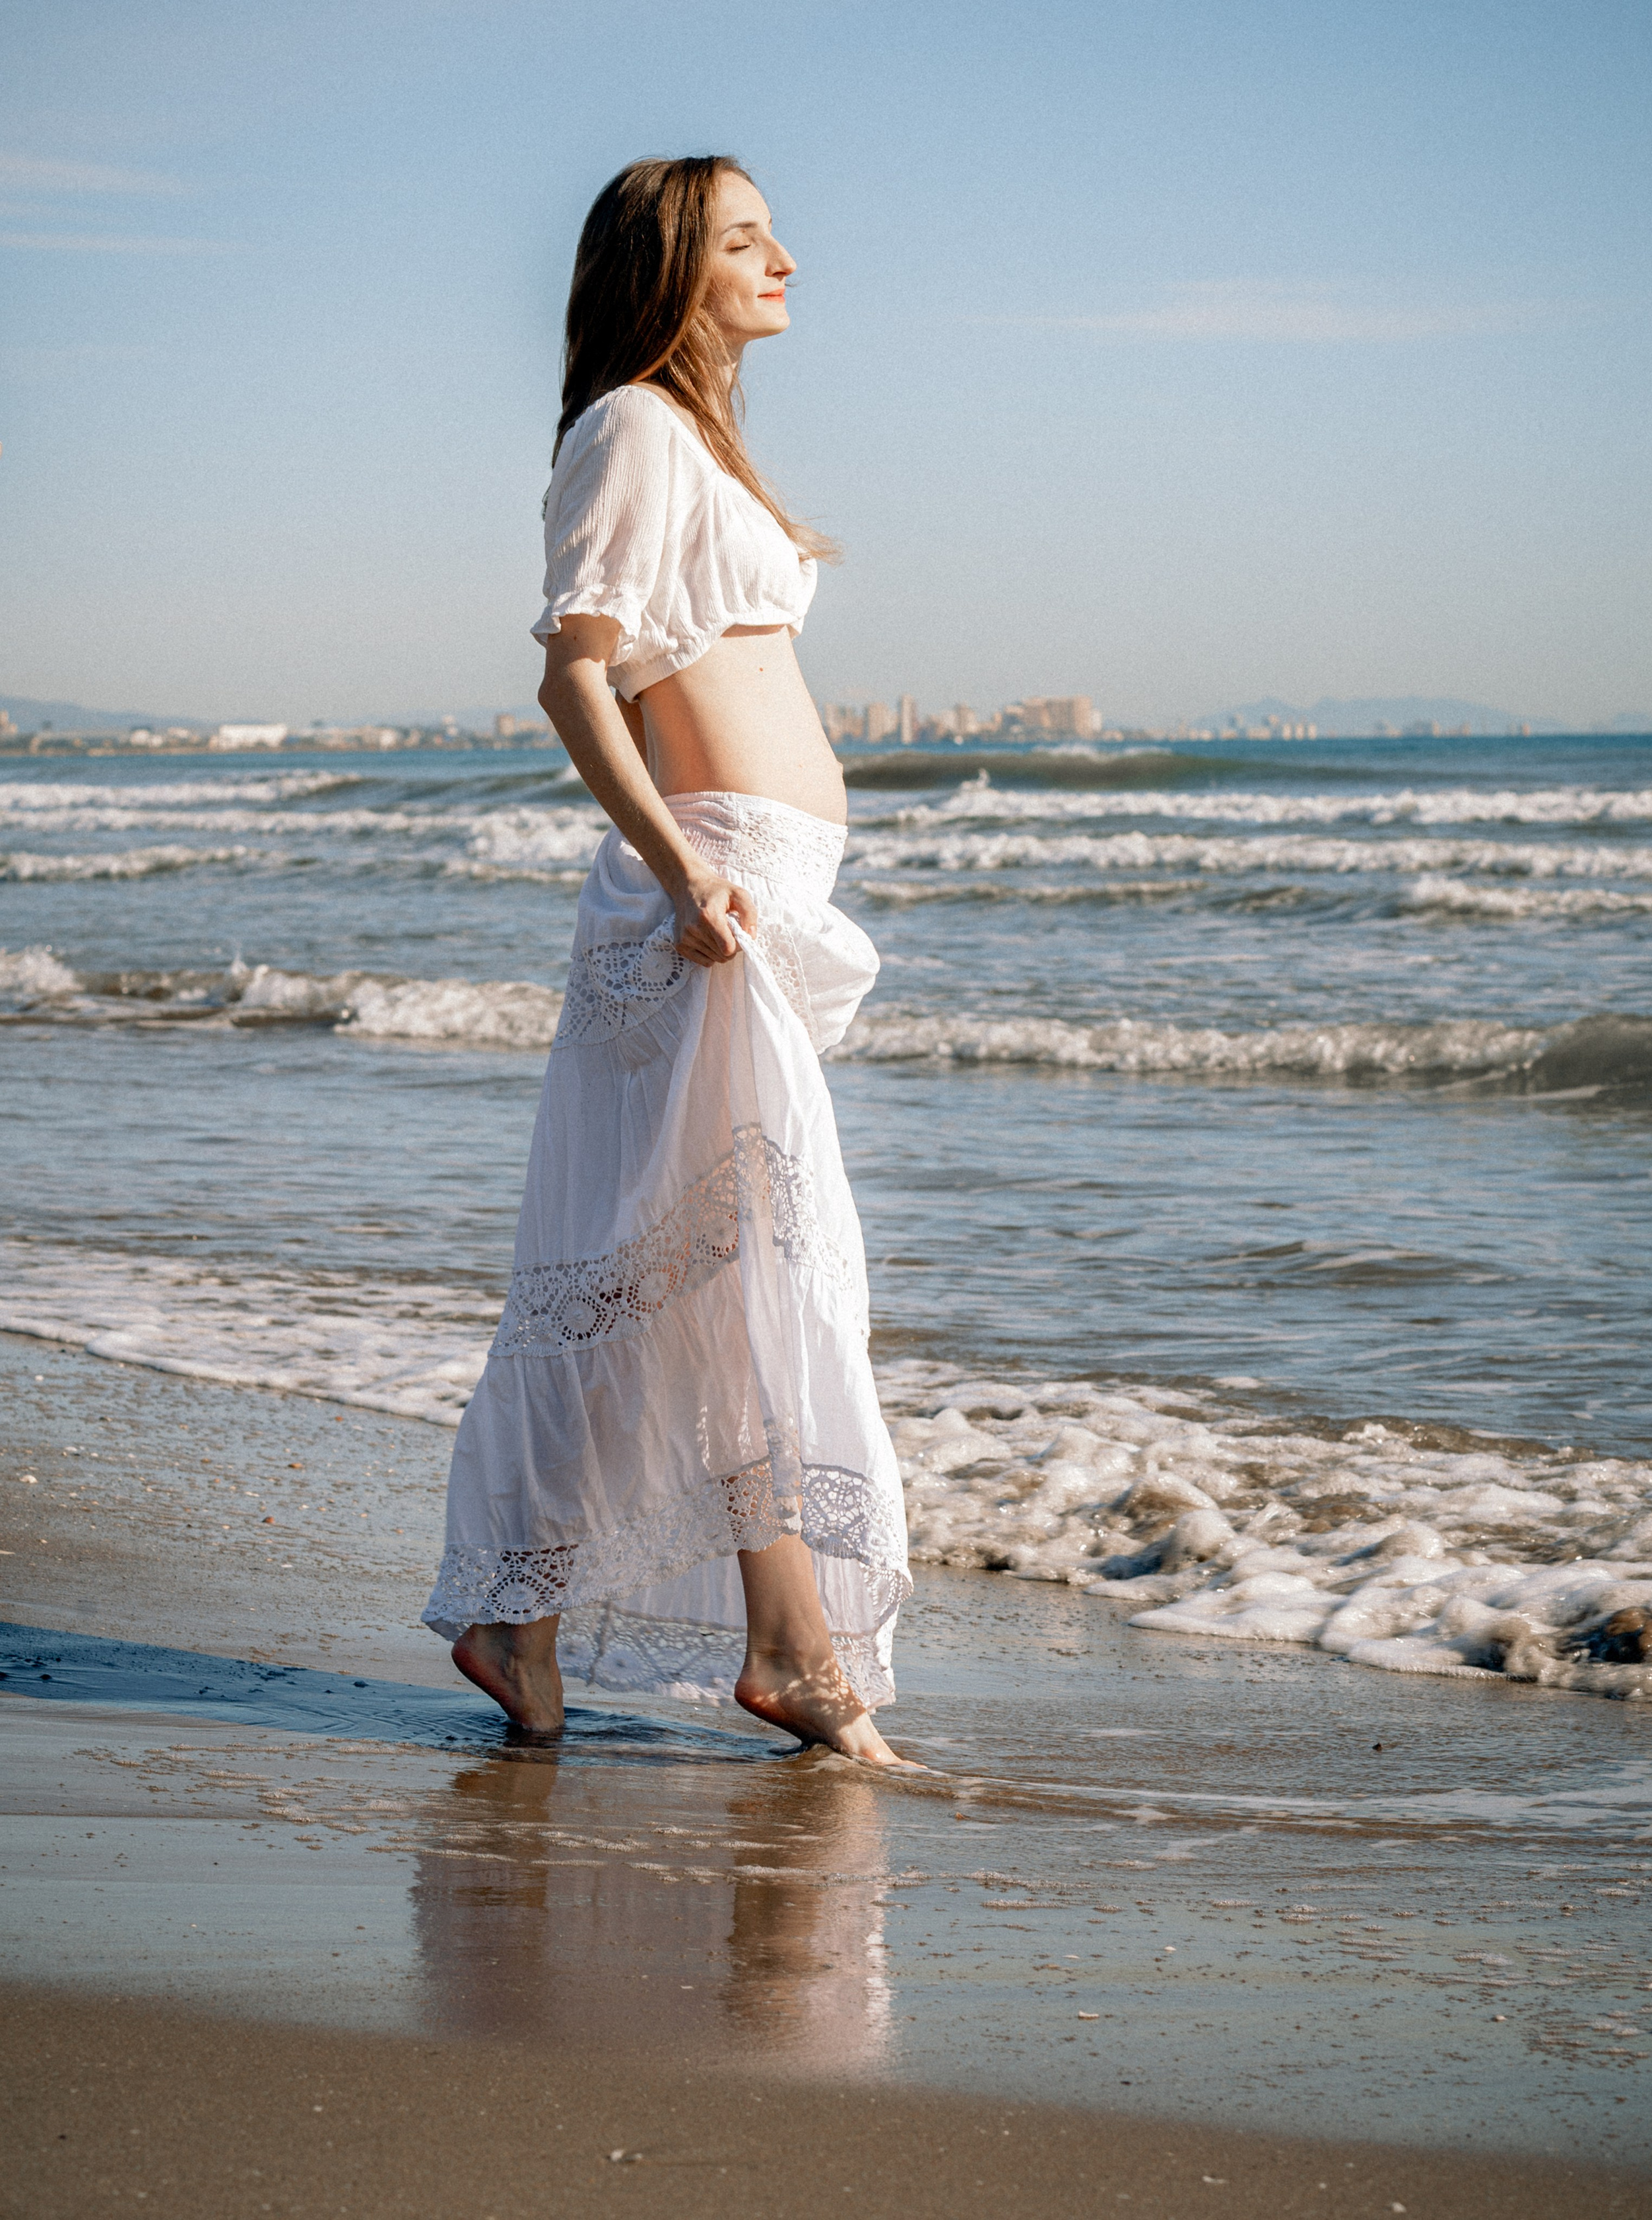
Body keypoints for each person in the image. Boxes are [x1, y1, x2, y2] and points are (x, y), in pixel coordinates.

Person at [423, 156, 911, 1765]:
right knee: (727, 1276)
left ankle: (571, 1621)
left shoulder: (693, 434)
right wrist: (681, 865)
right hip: (695, 901)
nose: (787, 257)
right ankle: (775, 1649)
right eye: (746, 238)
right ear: (669, 267)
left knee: (701, 1283)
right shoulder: (630, 425)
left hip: (736, 897)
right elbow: (573, 677)